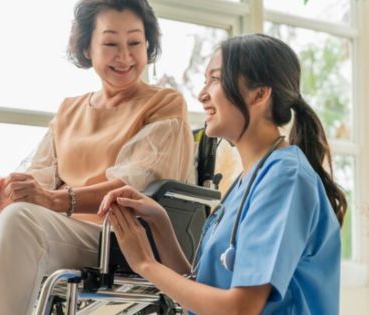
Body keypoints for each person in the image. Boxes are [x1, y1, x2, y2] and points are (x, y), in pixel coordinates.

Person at [0, 1, 195, 314]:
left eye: (135, 42)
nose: (124, 56)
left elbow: (130, 188)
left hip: (117, 238)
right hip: (57, 230)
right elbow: (36, 179)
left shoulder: (163, 104)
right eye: (110, 43)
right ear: (87, 49)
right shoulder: (70, 109)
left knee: (19, 218)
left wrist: (54, 200)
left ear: (149, 45)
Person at [99, 33, 347, 315]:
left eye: (215, 79)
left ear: (260, 94)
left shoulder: (285, 178)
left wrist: (145, 263)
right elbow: (201, 291)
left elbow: (240, 309)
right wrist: (161, 223)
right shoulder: (248, 181)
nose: (202, 94)